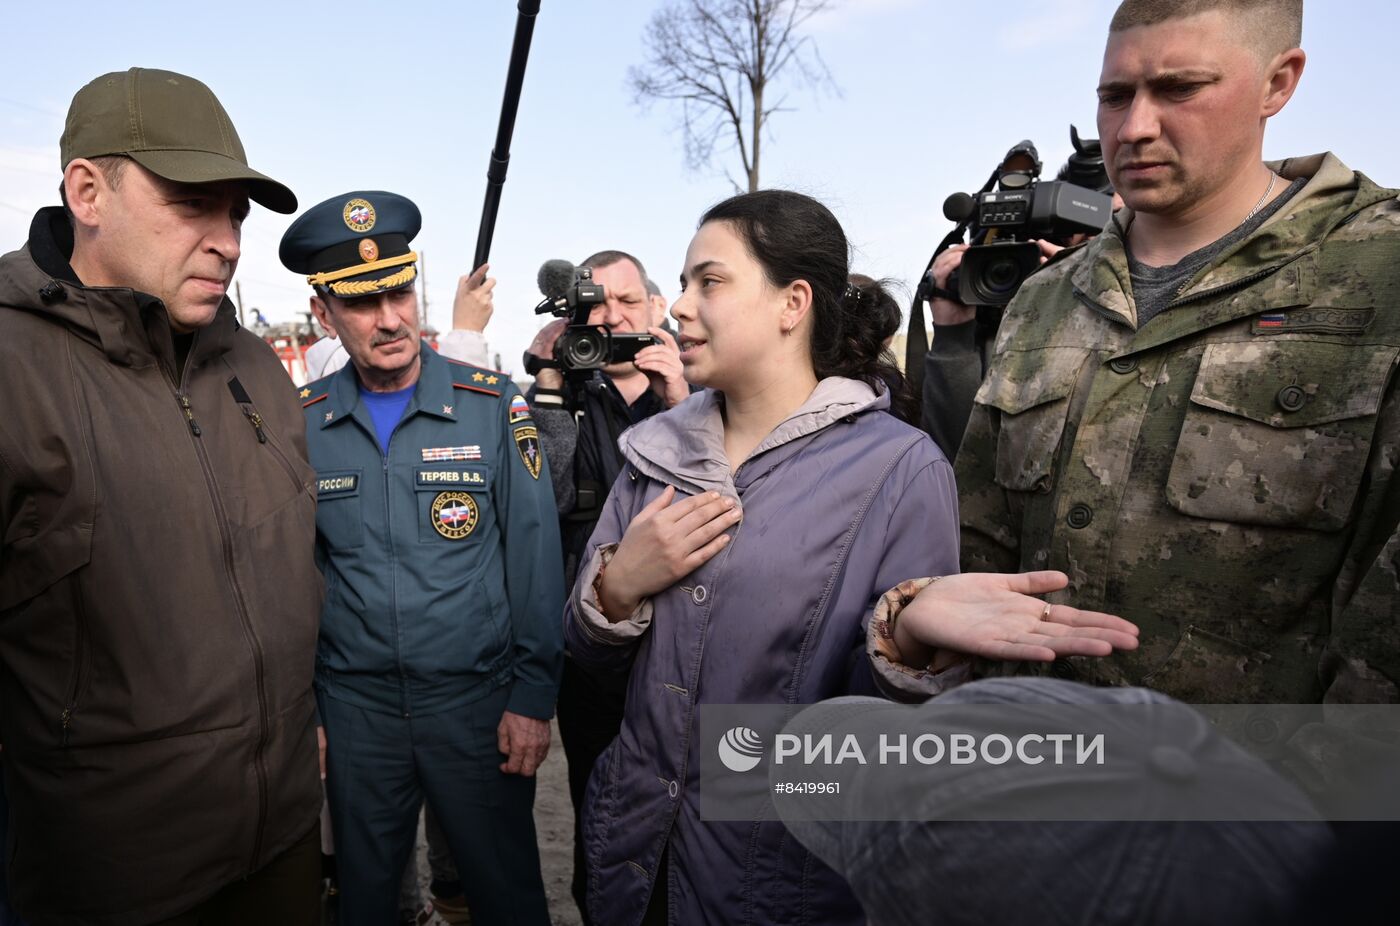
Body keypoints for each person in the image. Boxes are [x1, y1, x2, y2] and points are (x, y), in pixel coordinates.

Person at [563, 190, 1138, 925]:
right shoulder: (652, 454)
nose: (678, 306)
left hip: (776, 879)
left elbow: (884, 745)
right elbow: (589, 661)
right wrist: (616, 588)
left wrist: (905, 639)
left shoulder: (898, 470)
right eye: (681, 283)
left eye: (708, 281)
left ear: (792, 302)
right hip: (634, 864)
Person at [931, 0, 1400, 705]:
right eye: (1115, 97)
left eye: (1180, 89)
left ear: (1279, 82)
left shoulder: (1380, 272)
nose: (1136, 127)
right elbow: (978, 546)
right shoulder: (1043, 299)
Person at [0, 68, 323, 924]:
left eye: (238, 214)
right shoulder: (9, 365)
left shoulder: (255, 366)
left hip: (285, 845)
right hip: (110, 879)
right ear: (87, 191)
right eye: (193, 204)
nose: (229, 241)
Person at [281, 191, 564, 926]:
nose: (389, 319)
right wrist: (307, 708)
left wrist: (534, 697)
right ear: (325, 315)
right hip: (355, 713)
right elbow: (295, 575)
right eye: (362, 304)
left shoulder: (494, 407)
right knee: (368, 901)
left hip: (476, 707)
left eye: (399, 292)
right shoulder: (300, 427)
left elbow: (535, 560)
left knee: (504, 894)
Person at [524, 249, 688, 924]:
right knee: (600, 800)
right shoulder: (560, 390)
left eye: (628, 301)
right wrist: (551, 386)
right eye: (597, 305)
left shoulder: (701, 388)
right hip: (590, 648)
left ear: (656, 309)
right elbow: (546, 499)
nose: (613, 316)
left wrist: (684, 398)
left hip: (681, 639)